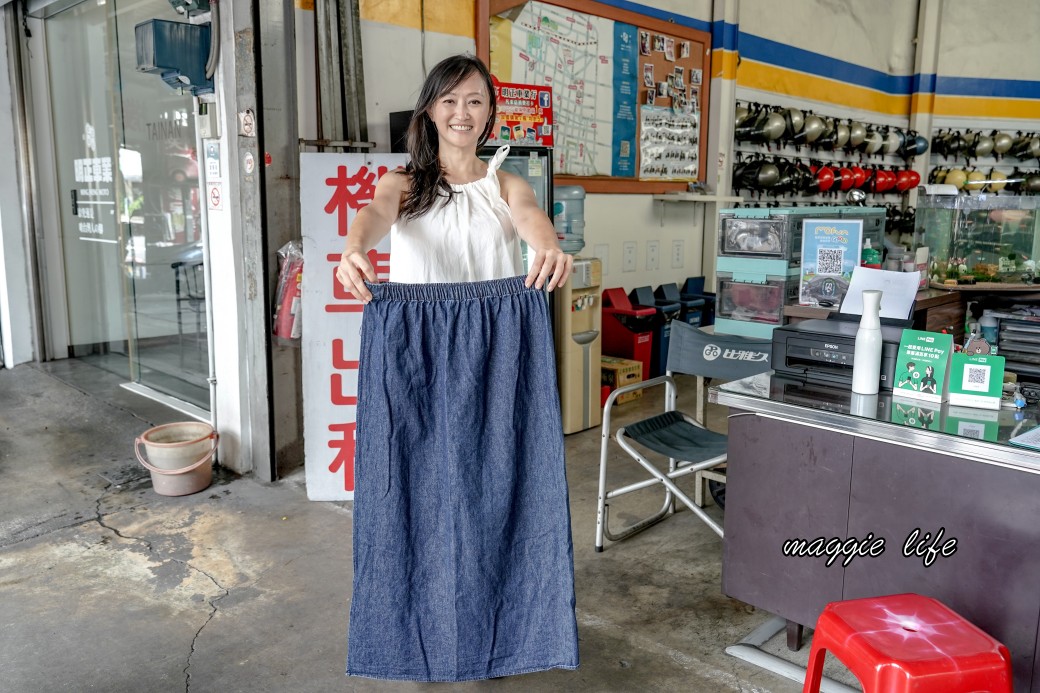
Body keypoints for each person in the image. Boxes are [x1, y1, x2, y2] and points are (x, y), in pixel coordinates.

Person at [337, 54, 579, 683]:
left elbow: (531, 219)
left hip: (497, 349)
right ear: (429, 110)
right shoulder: (405, 183)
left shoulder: (507, 182)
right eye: (449, 101)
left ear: (490, 111)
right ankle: (414, 641)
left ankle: (501, 638)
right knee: (413, 496)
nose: (462, 113)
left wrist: (547, 245)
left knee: (501, 492)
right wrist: (354, 249)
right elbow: (372, 215)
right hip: (417, 352)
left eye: (474, 101)